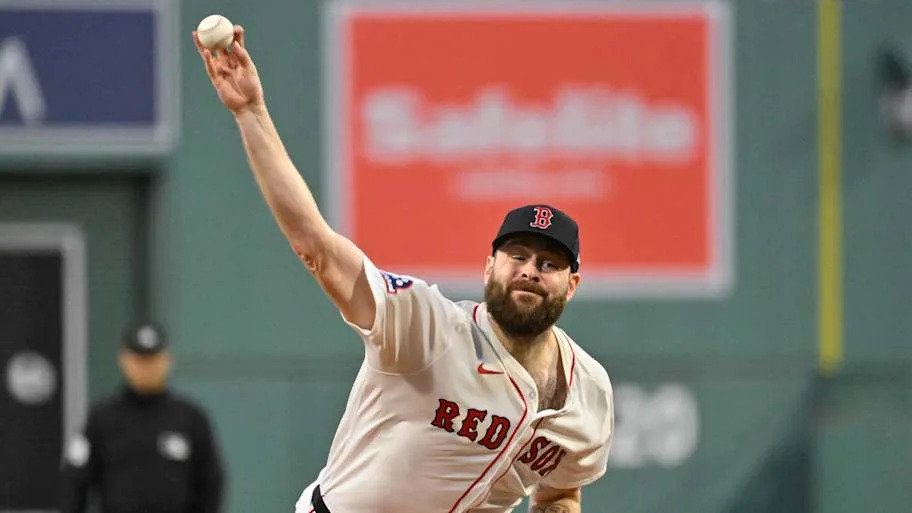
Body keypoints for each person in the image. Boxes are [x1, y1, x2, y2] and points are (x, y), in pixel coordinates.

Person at [193, 25, 613, 513]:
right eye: (516, 256)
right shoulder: (429, 328)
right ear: (488, 266)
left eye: (549, 263)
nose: (529, 270)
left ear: (572, 284)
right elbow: (317, 248)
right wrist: (250, 112)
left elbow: (561, 489)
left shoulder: (589, 393)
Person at [60, 323, 224, 513]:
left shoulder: (190, 418)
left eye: (152, 360)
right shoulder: (102, 418)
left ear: (167, 361)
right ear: (124, 361)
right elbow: (74, 480)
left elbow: (211, 481)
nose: (146, 368)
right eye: (139, 360)